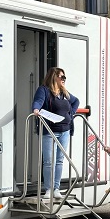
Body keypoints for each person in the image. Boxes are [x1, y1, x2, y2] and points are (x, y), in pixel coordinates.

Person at [32, 67, 80, 199]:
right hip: (49, 131)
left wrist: (72, 113)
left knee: (59, 160)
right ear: (54, 77)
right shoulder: (44, 90)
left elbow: (76, 101)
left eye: (65, 77)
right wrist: (36, 109)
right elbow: (38, 101)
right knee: (48, 161)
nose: (64, 80)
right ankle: (48, 189)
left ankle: (56, 188)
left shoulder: (64, 92)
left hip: (64, 130)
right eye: (61, 77)